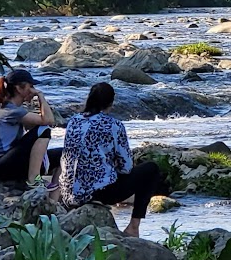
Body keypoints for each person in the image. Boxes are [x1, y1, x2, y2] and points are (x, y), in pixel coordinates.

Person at [59, 81, 165, 238]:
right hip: (99, 193)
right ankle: (133, 227)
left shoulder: (73, 121)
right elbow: (126, 167)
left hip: (68, 192)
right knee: (151, 169)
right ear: (111, 102)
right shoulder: (114, 125)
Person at [0, 69, 58, 191]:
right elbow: (48, 121)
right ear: (19, 88)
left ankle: (52, 201)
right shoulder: (11, 111)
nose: (33, 90)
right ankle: (34, 179)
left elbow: (33, 128)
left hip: (9, 161)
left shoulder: (14, 109)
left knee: (62, 155)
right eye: (31, 86)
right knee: (44, 129)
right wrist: (40, 96)